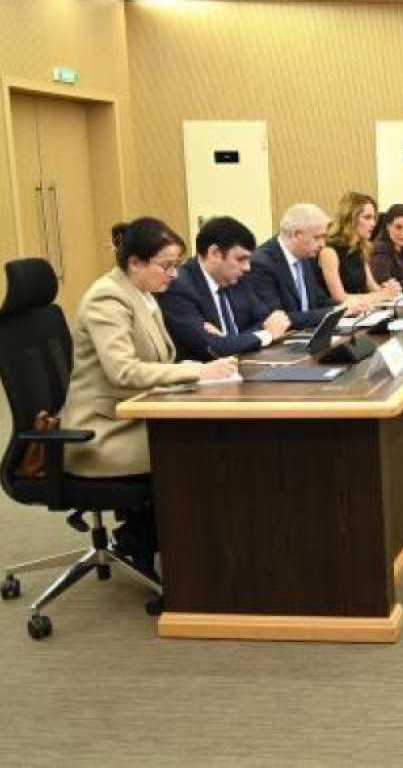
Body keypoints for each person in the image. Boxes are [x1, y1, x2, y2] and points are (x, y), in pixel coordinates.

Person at [62, 217, 237, 573]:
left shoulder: (143, 294)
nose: (174, 274)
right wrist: (197, 372)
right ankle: (175, 560)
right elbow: (124, 371)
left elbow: (158, 360)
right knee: (201, 448)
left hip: (133, 412)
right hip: (103, 431)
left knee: (210, 438)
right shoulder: (107, 298)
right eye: (166, 265)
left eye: (176, 265)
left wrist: (195, 367)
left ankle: (157, 541)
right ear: (135, 262)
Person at [159, 216, 293, 361]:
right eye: (241, 259)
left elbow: (266, 319)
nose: (247, 267)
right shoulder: (178, 287)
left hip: (243, 364)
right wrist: (267, 334)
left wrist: (229, 341)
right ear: (214, 253)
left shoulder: (236, 279)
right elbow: (213, 348)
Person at [251, 203, 364, 328]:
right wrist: (337, 311)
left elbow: (319, 301)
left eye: (324, 237)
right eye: (317, 238)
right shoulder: (262, 263)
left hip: (309, 333)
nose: (322, 244)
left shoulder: (305, 255)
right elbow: (279, 319)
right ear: (296, 235)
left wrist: (347, 306)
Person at [318, 191, 401, 304]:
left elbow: (373, 288)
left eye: (374, 218)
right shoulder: (329, 251)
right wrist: (381, 295)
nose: (373, 223)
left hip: (363, 310)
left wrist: (390, 289)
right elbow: (340, 298)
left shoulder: (360, 248)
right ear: (350, 219)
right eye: (367, 218)